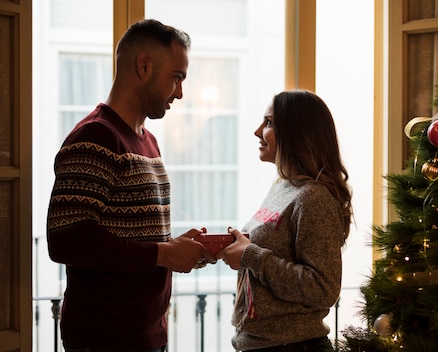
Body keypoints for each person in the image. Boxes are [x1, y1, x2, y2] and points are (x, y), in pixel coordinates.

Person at [46, 19, 214, 352]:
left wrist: (175, 248)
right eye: (176, 77)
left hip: (147, 335)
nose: (180, 92)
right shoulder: (95, 137)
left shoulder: (147, 140)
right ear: (144, 65)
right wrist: (163, 252)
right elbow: (66, 240)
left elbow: (135, 240)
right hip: (104, 338)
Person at [219, 89, 353, 352]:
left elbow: (323, 288)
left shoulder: (314, 198)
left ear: (296, 133)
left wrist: (251, 255)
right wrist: (236, 245)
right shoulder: (283, 186)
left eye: (269, 123)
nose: (258, 131)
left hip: (294, 346)